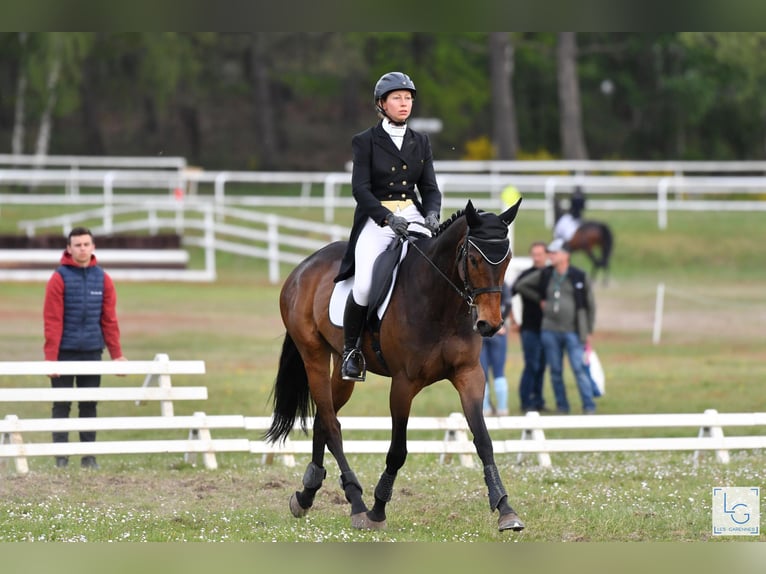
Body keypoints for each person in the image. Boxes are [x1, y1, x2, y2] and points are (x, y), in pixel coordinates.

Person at [334, 71, 442, 382]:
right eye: (397, 98)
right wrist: (386, 217)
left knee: (438, 267)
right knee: (366, 284)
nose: (404, 103)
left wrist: (432, 214)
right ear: (382, 104)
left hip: (413, 214)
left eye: (408, 98)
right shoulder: (365, 141)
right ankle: (352, 351)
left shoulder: (420, 141)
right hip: (378, 219)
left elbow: (430, 188)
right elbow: (360, 189)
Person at [43, 227, 127, 469]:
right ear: (69, 249)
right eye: (77, 245)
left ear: (93, 247)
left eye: (86, 244)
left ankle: (89, 458)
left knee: (89, 404)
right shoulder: (58, 278)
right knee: (62, 404)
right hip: (64, 353)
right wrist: (51, 359)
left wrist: (117, 355)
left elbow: (109, 320)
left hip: (92, 351)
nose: (82, 248)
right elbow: (52, 320)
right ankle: (61, 458)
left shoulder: (103, 279)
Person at [512, 238, 597, 414]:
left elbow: (590, 305)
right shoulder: (546, 274)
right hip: (549, 330)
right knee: (555, 371)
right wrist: (541, 300)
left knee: (578, 368)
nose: (551, 256)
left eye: (554, 253)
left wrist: (588, 329)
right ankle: (562, 405)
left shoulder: (578, 276)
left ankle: (588, 405)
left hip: (573, 331)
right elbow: (521, 285)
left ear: (566, 255)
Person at [510, 240, 549, 413]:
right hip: (530, 327)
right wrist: (514, 319)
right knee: (531, 364)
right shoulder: (526, 275)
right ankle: (526, 401)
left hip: (548, 328)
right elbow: (511, 293)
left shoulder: (551, 274)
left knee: (542, 365)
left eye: (540, 254)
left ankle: (538, 400)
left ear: (546, 255)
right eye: (534, 255)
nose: (537, 258)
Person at [480, 281, 512, 416]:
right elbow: (508, 304)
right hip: (498, 331)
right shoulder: (502, 284)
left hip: (480, 331)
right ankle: (502, 408)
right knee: (499, 372)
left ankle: (486, 408)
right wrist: (499, 322)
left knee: (483, 374)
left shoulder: (476, 283)